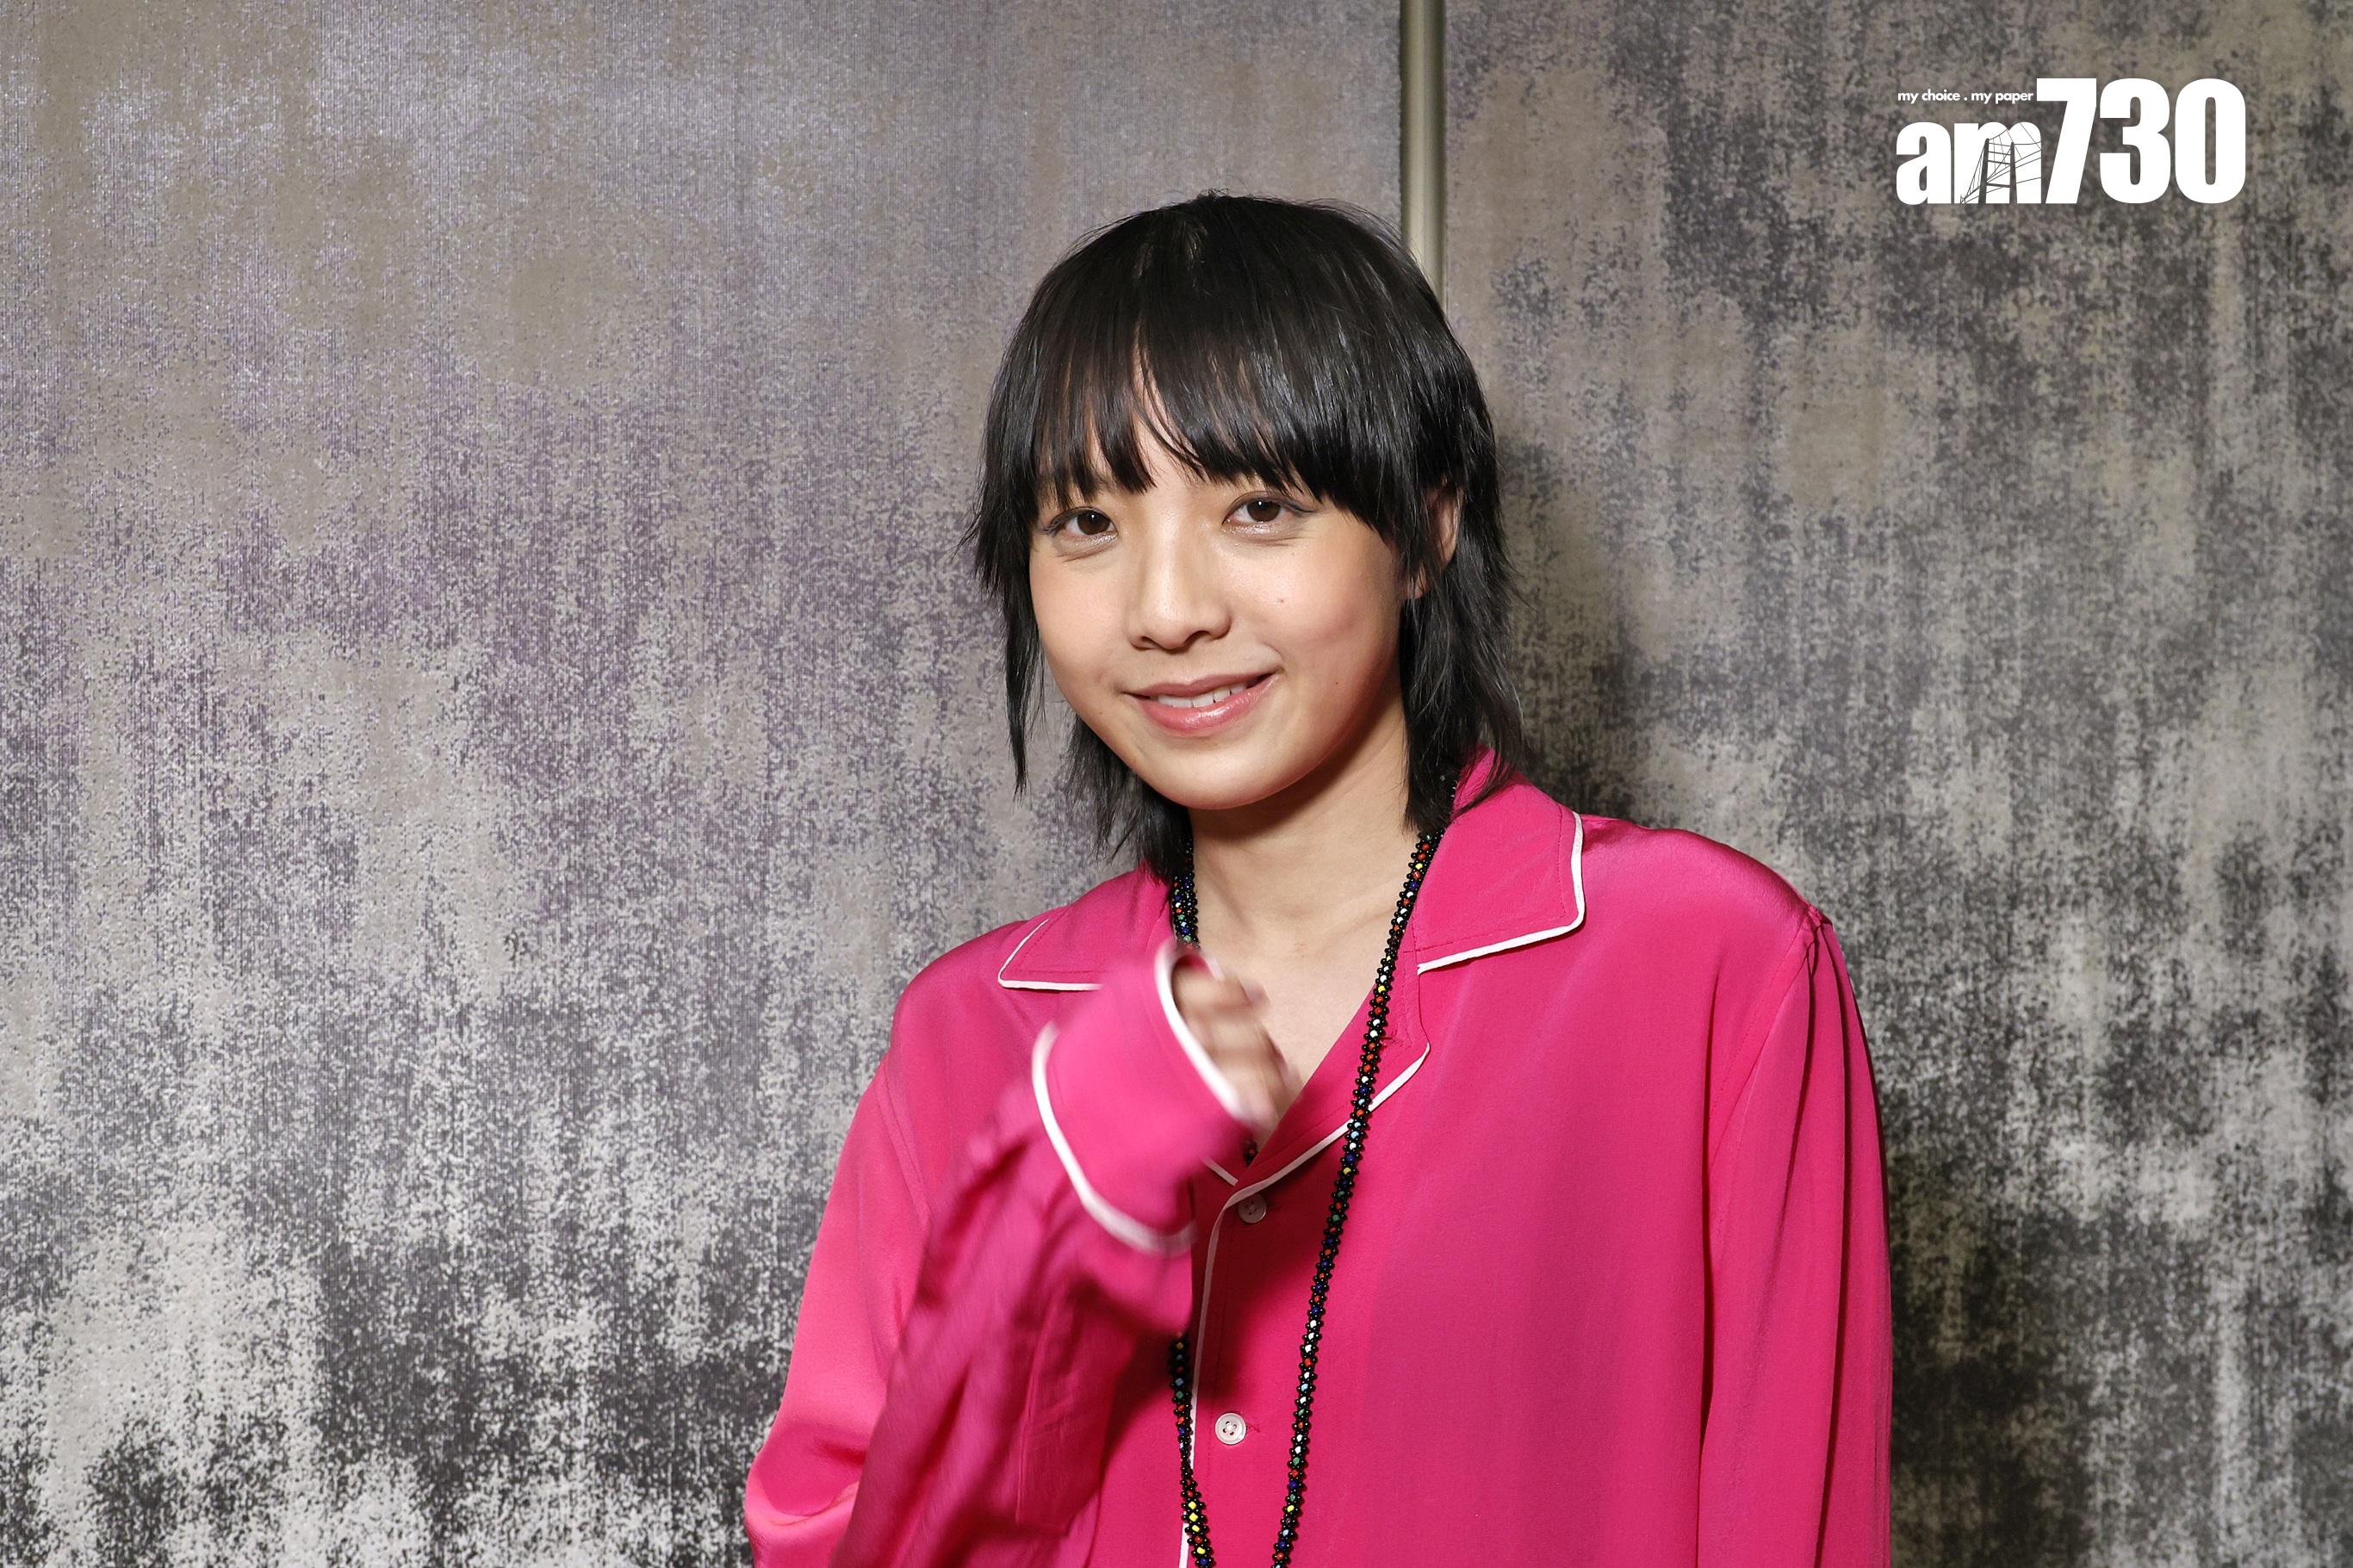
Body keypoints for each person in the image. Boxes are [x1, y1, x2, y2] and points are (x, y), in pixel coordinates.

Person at [742, 192, 1893, 1566]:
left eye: (1259, 506)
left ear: (1426, 524)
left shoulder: (1714, 971)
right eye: (1087, 522)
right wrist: (1068, 1195)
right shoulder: (967, 1034)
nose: (1167, 609)